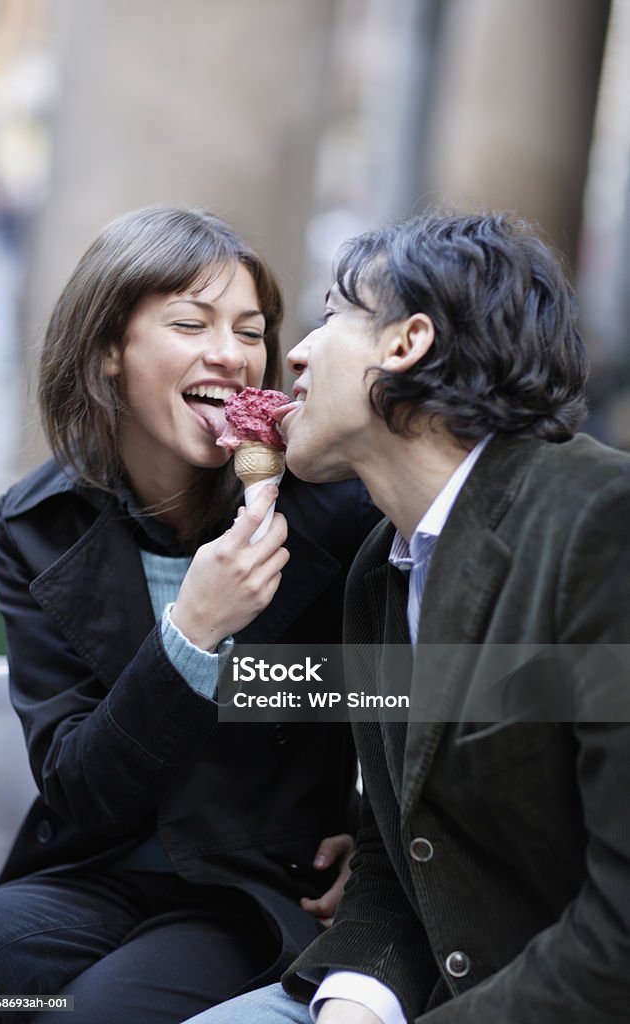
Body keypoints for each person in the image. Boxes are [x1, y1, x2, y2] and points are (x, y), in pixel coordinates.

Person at [183, 210, 630, 1024]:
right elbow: (401, 853)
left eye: (328, 320)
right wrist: (351, 1003)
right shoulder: (377, 573)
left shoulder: (600, 522)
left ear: (404, 343)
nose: (295, 354)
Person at [0, 206, 381, 1023]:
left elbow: (397, 691)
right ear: (109, 351)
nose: (232, 352)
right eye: (190, 322)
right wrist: (191, 630)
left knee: (84, 1012)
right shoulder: (39, 526)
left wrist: (382, 853)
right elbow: (79, 789)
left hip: (250, 890)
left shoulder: (332, 511)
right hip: (90, 876)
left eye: (251, 331)